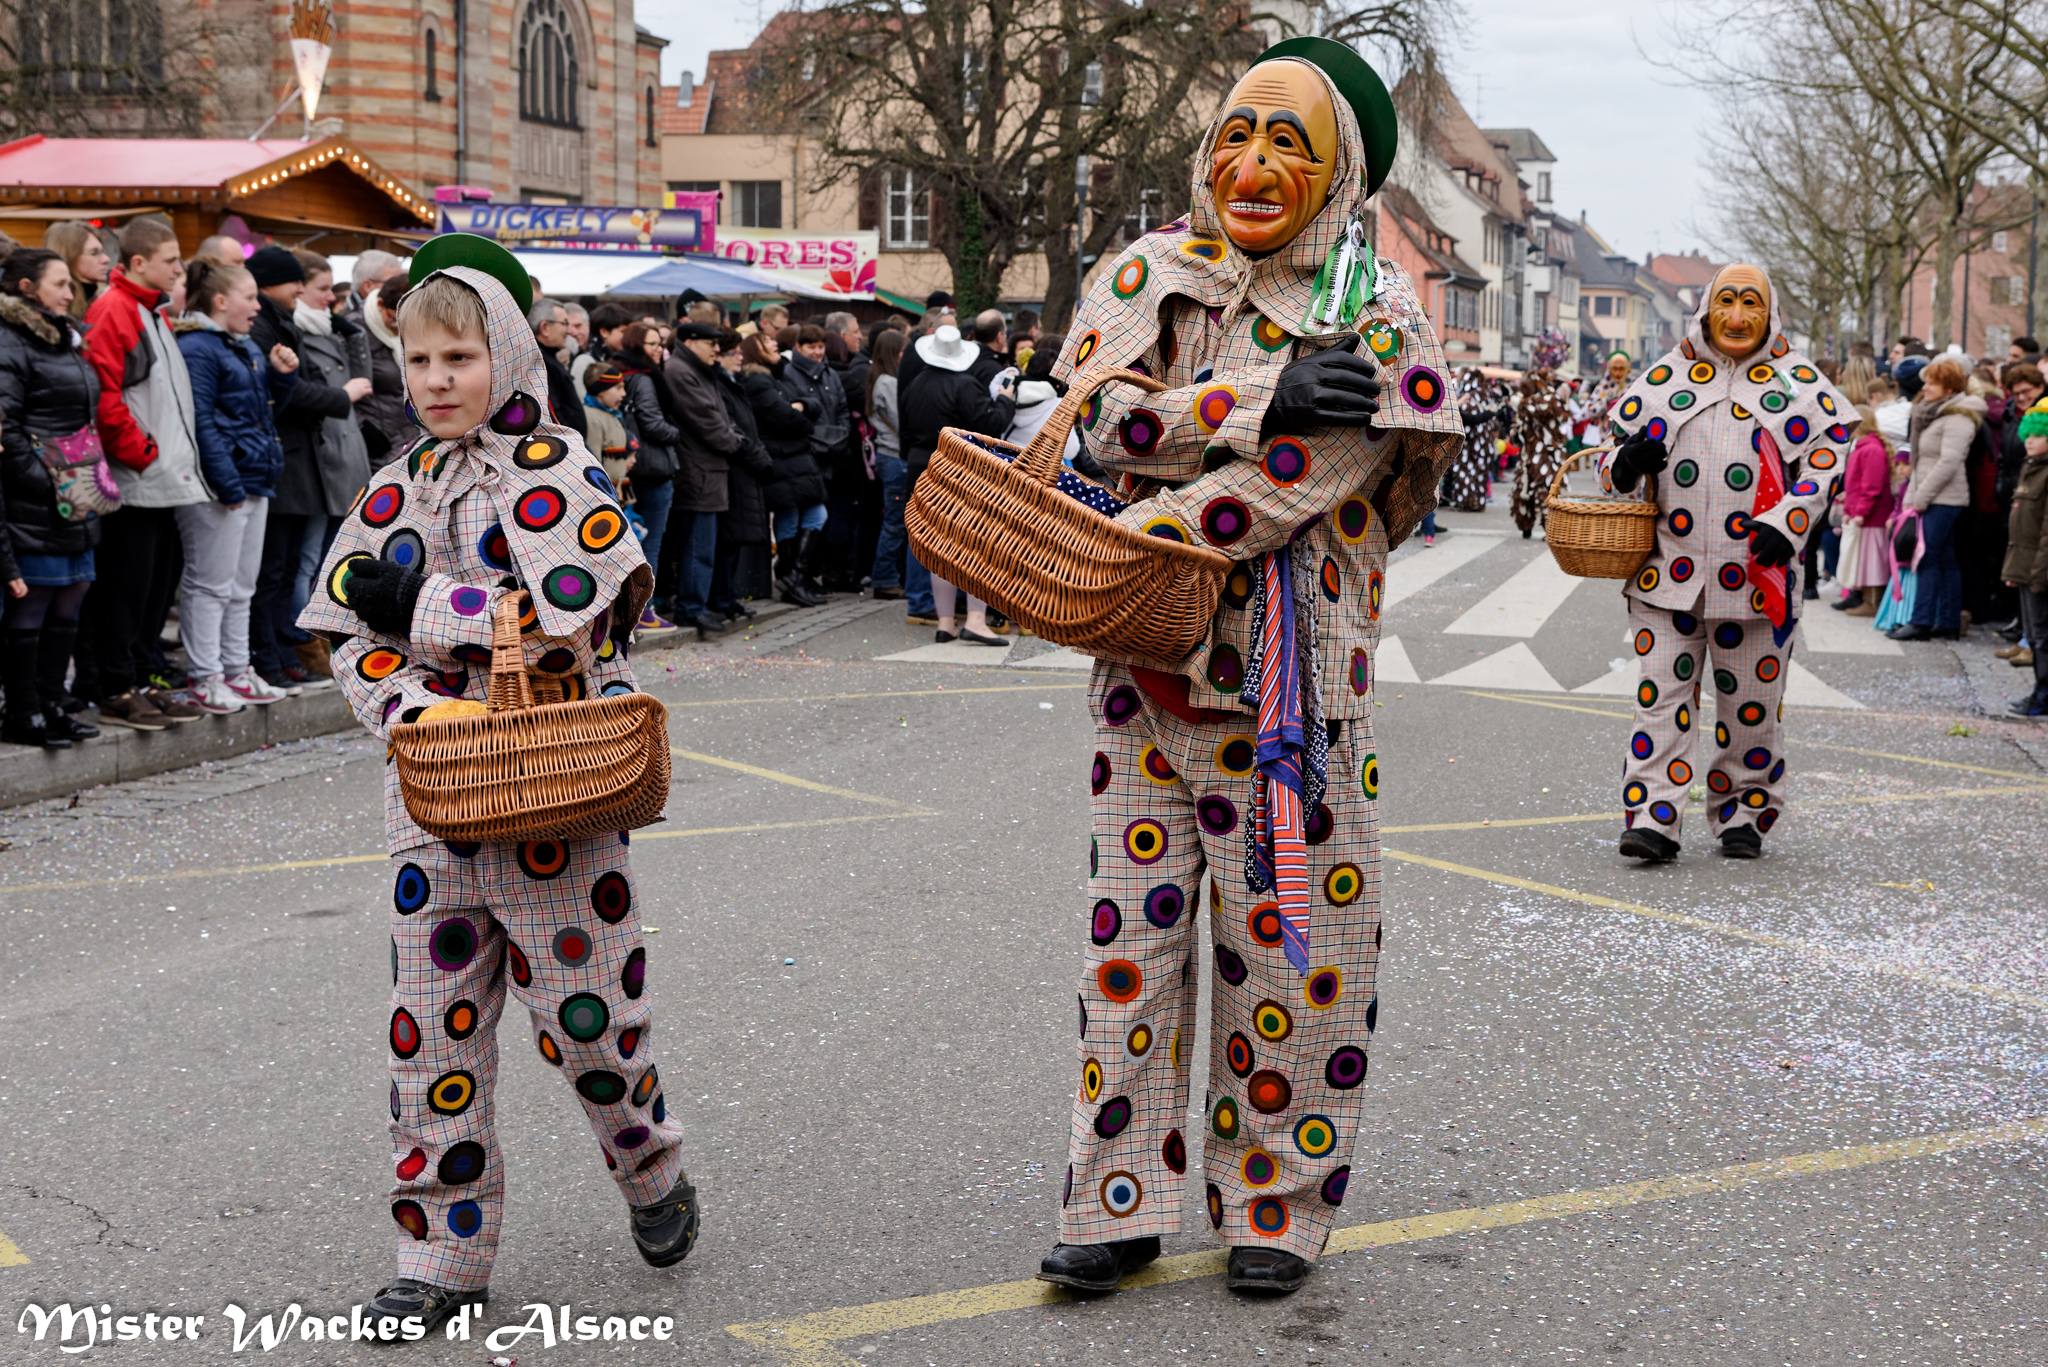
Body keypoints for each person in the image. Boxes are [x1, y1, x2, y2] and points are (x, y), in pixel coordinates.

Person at [1035, 37, 1458, 1298]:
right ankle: (1113, 1197)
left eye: (1289, 142)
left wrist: (1113, 533)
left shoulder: (1377, 310)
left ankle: (1273, 1203)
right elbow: (1087, 419)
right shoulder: (1145, 270)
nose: (1253, 163)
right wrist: (1248, 397)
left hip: (1287, 696)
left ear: (1335, 175)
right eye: (1237, 132)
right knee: (1130, 946)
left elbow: (1299, 487)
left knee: (1294, 954)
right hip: (1138, 674)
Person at [296, 235, 698, 1332]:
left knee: (591, 1034)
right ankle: (441, 1255)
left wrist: (425, 615)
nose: (434, 381)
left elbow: (576, 623)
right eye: (417, 360)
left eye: (457, 358)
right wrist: (423, 707)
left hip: (560, 805)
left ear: (506, 353)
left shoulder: (560, 469)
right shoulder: (393, 484)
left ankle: (650, 1163)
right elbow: (341, 631)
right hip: (432, 803)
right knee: (428, 1037)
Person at [1598, 264, 1846, 862]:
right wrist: (1626, 463)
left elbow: (1826, 464)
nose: (1737, 317)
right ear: (1707, 309)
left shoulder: (1802, 386)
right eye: (1727, 302)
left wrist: (1788, 524)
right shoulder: (1662, 378)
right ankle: (1655, 818)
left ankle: (1744, 812)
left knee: (1753, 711)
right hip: (1666, 577)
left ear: (1771, 312)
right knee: (1659, 700)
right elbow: (1610, 470)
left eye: (1751, 304)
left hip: (1759, 580)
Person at [77, 215, 207, 729]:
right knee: (126, 589)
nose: (180, 269)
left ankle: (140, 673)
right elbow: (106, 395)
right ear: (139, 262)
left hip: (163, 476)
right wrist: (142, 452)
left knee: (155, 587)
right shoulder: (116, 309)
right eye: (171, 260)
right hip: (139, 479)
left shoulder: (151, 312)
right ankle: (115, 684)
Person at [174, 257, 299, 716]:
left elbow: (261, 412)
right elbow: (200, 420)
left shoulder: (240, 346)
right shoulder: (200, 348)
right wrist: (225, 482)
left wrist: (282, 378)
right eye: (250, 298)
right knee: (210, 584)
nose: (257, 307)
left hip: (253, 477)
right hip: (223, 483)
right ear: (222, 300)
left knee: (241, 584)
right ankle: (206, 675)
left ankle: (236, 668)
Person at [245, 246, 366, 695]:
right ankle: (270, 653)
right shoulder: (266, 326)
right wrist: (341, 398)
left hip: (299, 461)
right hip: (287, 463)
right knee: (276, 569)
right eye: (295, 281)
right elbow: (295, 391)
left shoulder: (281, 322)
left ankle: (279, 650)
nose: (300, 289)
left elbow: (308, 380)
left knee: (291, 564)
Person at [0, 248, 106, 747]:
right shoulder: (10, 339)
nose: (70, 293)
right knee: (34, 602)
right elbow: (6, 424)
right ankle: (23, 711)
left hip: (76, 490)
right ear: (26, 288)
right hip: (39, 495)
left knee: (71, 597)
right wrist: (43, 481)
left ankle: (51, 702)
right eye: (60, 283)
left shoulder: (65, 339)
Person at [280, 248, 374, 682]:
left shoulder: (331, 329)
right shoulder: (297, 333)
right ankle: (304, 640)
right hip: (321, 457)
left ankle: (318, 635)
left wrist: (348, 332)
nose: (328, 299)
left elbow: (363, 374)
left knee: (323, 558)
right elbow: (321, 393)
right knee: (306, 559)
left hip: (343, 453)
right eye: (320, 289)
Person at [900, 323, 1013, 645]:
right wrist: (1005, 398)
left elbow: (904, 429)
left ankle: (945, 622)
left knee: (939, 547)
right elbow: (992, 424)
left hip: (921, 466)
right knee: (975, 545)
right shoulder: (965, 384)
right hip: (958, 468)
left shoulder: (914, 384)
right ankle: (976, 620)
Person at [1888, 356, 1982, 640]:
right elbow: (1922, 460)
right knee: (1944, 559)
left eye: (1933, 382)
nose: (1925, 387)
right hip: (1931, 496)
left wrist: (1920, 497)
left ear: (1950, 388)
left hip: (1944, 498)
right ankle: (1947, 622)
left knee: (1927, 557)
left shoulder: (1958, 416)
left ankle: (1922, 621)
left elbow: (1948, 462)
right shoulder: (1936, 412)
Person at [663, 319, 743, 638]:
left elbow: (721, 416)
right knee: (698, 545)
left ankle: (697, 604)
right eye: (711, 344)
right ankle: (691, 607)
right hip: (698, 471)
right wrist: (735, 442)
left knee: (704, 544)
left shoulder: (696, 369)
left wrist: (734, 436)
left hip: (708, 469)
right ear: (692, 341)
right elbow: (709, 422)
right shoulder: (682, 371)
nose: (717, 349)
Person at [738, 330, 824, 606]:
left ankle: (793, 577)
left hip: (795, 459)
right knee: (794, 514)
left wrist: (802, 407)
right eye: (767, 341)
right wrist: (803, 417)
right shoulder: (758, 381)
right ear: (755, 350)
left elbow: (812, 403)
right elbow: (787, 417)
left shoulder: (776, 376)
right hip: (783, 458)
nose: (775, 344)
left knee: (812, 513)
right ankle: (791, 576)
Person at [708, 330, 778, 623]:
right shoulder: (720, 384)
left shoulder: (732, 383)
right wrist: (758, 456)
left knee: (734, 539)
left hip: (745, 467)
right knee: (728, 539)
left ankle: (728, 596)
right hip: (735, 468)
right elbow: (733, 429)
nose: (739, 357)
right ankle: (721, 597)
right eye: (733, 353)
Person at [614, 322, 680, 632]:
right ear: (637, 346)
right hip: (653, 468)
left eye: (659, 343)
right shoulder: (644, 379)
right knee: (650, 541)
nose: (657, 349)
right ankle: (645, 610)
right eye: (651, 344)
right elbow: (653, 424)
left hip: (636, 467)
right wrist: (678, 434)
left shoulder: (624, 373)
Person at [778, 323, 849, 598]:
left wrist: (839, 437)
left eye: (821, 347)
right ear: (798, 348)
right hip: (804, 454)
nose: (818, 352)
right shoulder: (789, 373)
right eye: (812, 347)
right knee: (805, 516)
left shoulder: (830, 375)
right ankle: (793, 577)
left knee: (819, 517)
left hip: (831, 454)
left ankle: (804, 576)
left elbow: (841, 410)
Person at [2004, 392, 2048, 713]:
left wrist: (2037, 572)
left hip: (2039, 567)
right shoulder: (2030, 468)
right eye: (2029, 433)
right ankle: (2039, 690)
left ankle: (2044, 695)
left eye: (2039, 434)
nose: (2030, 440)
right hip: (2026, 563)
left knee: (2043, 636)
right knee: (2033, 635)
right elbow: (2020, 529)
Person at [865, 329, 910, 599]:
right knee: (895, 521)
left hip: (888, 454)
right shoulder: (888, 383)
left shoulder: (877, 378)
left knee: (895, 519)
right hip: (893, 455)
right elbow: (902, 419)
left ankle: (888, 576)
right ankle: (884, 579)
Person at [359, 275, 420, 467]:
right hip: (378, 438)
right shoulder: (356, 332)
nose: (398, 328)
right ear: (380, 305)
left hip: (406, 431)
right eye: (394, 320)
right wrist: (364, 428)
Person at [1508, 369, 1569, 537]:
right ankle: (1525, 524)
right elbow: (1517, 430)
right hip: (1528, 455)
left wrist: (1522, 403)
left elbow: (1545, 411)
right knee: (1522, 489)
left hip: (1547, 454)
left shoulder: (1550, 399)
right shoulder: (1526, 404)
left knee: (1545, 489)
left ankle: (1548, 526)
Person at [528, 296, 588, 440]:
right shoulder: (540, 363)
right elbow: (554, 416)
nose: (568, 331)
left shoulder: (546, 359)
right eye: (564, 323)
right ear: (545, 328)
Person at [43, 221, 111, 322]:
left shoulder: (101, 296)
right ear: (69, 257)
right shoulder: (55, 308)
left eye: (102, 251)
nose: (106, 259)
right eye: (94, 253)